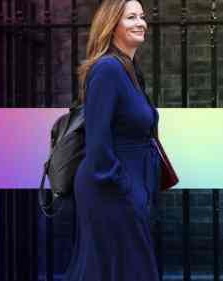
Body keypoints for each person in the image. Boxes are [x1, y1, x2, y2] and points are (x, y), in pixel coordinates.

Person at [62, 0, 161, 280]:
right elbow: (98, 142)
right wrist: (126, 189)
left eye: (142, 16)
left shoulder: (129, 70)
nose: (140, 22)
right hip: (111, 191)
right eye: (131, 17)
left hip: (127, 189)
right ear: (112, 25)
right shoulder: (108, 70)